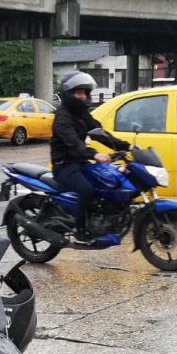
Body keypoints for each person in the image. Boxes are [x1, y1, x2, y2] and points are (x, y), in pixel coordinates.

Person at [50, 71, 129, 242]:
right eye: (79, 92)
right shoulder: (62, 117)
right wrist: (95, 154)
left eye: (85, 92)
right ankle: (79, 230)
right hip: (64, 165)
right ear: (69, 93)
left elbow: (100, 133)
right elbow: (73, 143)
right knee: (87, 189)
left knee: (106, 181)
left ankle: (99, 221)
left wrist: (126, 146)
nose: (83, 96)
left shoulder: (81, 114)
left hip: (80, 162)